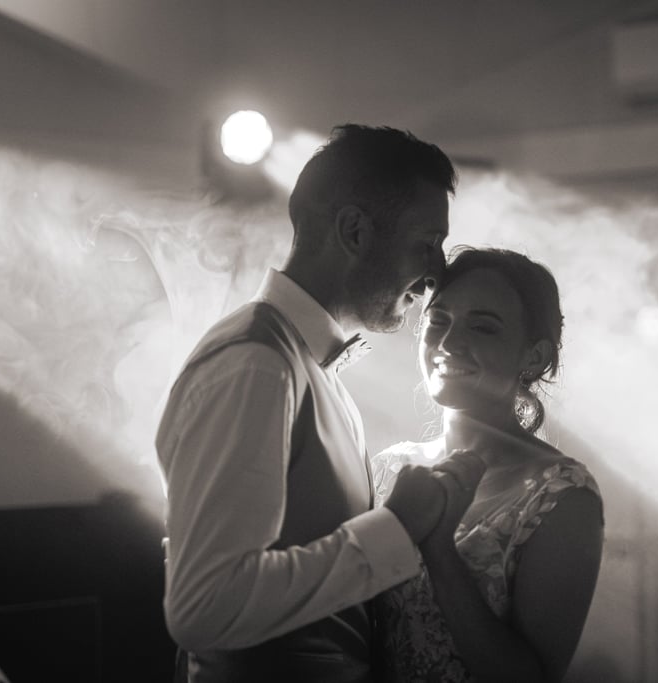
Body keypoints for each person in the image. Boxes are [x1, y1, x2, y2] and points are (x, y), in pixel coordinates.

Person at [156, 124, 467, 682]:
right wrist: (397, 527)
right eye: (426, 244)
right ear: (353, 231)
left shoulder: (309, 369)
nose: (437, 272)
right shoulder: (257, 366)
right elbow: (206, 608)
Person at [372, 247, 605, 683]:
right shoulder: (390, 469)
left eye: (482, 327)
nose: (448, 343)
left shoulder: (560, 494)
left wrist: (439, 548)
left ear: (533, 357)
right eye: (437, 321)